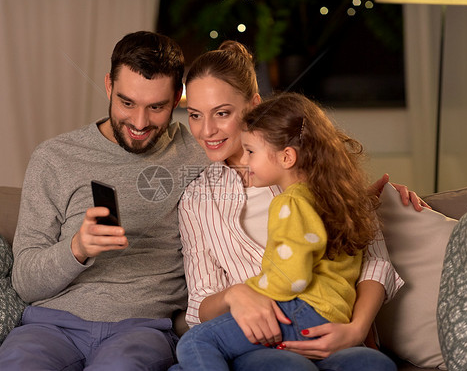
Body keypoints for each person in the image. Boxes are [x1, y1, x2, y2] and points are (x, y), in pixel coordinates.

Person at [176, 41, 427, 371]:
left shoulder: (317, 175)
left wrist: (355, 330)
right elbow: (199, 303)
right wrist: (234, 295)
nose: (206, 130)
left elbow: (374, 263)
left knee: (370, 364)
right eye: (195, 115)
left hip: (333, 333)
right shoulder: (196, 200)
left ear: (254, 105)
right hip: (259, 343)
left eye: (222, 113)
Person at [0, 31, 209, 370]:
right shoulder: (56, 157)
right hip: (51, 326)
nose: (139, 123)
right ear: (108, 86)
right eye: (127, 103)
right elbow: (25, 282)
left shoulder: (199, 153)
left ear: (178, 96)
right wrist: (77, 248)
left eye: (156, 107)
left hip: (141, 328)